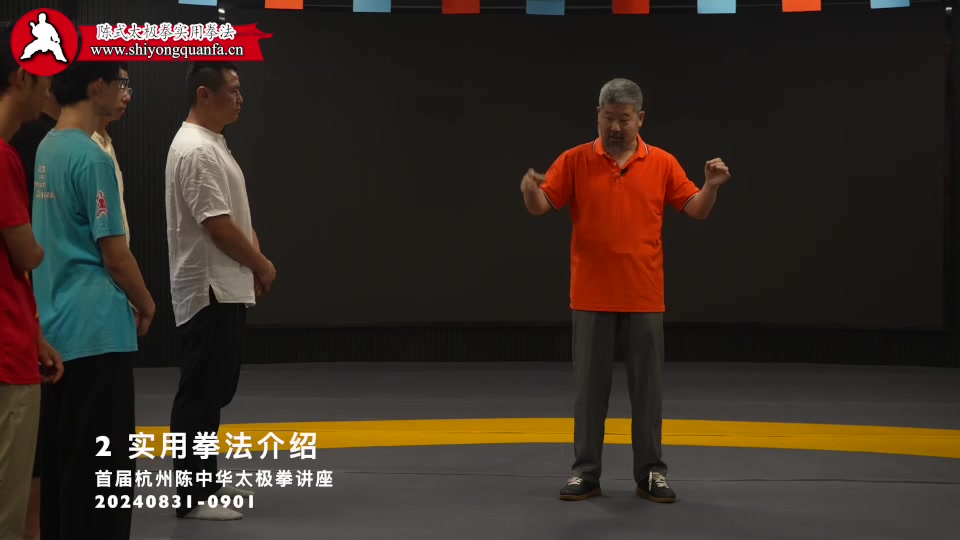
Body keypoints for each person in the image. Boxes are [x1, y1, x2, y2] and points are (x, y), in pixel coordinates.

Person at [520, 78, 731, 503]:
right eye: (608, 118)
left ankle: (651, 473)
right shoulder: (575, 160)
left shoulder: (663, 163)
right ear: (597, 115)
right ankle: (585, 473)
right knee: (588, 392)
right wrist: (528, 190)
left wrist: (709, 186)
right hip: (591, 295)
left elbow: (696, 210)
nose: (615, 128)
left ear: (641, 119)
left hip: (644, 295)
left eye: (624, 120)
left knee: (647, 393)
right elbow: (542, 206)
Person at [32, 60, 155, 539]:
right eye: (121, 82)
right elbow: (116, 255)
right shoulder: (93, 156)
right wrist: (146, 303)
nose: (125, 92)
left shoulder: (47, 147)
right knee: (105, 469)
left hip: (55, 327)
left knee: (65, 462)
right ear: (96, 86)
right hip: (98, 329)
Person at [165, 61, 276, 521]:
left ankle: (205, 483)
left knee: (212, 391)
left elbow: (233, 216)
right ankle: (193, 495)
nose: (240, 98)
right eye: (232, 90)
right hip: (208, 287)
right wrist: (261, 264)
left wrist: (254, 261)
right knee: (200, 394)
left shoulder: (213, 143)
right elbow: (217, 225)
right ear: (204, 95)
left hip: (224, 285)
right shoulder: (195, 149)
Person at [0, 20, 62, 540]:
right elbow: (27, 253)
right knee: (9, 505)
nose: (49, 91)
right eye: (45, 78)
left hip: (20, 337)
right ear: (21, 77)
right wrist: (39, 247)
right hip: (6, 354)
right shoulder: (4, 160)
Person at [92, 63, 132, 246]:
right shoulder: (85, 148)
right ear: (99, 86)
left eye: (127, 88)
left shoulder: (106, 142)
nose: (127, 97)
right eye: (121, 86)